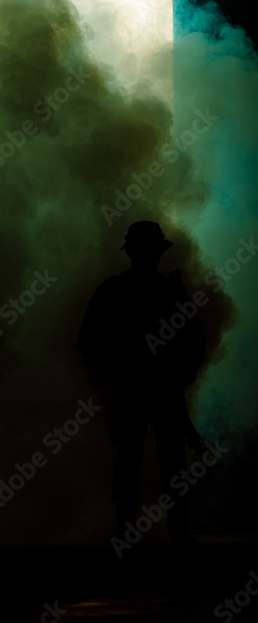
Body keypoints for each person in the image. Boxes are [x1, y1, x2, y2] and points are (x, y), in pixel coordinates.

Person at [77, 220, 205, 545]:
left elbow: (88, 339)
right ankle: (167, 531)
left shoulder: (115, 291)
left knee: (135, 458)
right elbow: (193, 340)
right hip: (151, 388)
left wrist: (108, 375)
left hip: (136, 388)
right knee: (163, 458)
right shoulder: (166, 292)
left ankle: (129, 530)